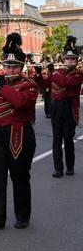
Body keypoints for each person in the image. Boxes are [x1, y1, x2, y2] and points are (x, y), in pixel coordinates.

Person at [0, 33, 38, 232]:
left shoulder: (29, 85)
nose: (9, 70)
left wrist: (3, 86)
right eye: (7, 66)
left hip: (19, 133)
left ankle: (22, 215)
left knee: (19, 176)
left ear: (21, 68)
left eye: (13, 67)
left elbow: (20, 102)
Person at [47, 36, 83, 177]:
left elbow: (66, 83)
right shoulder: (58, 72)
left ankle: (70, 166)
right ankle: (58, 168)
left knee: (68, 139)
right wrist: (38, 75)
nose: (70, 61)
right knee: (56, 139)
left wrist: (53, 72)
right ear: (64, 60)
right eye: (68, 59)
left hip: (69, 108)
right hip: (56, 107)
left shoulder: (78, 74)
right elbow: (45, 83)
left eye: (73, 59)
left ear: (76, 60)